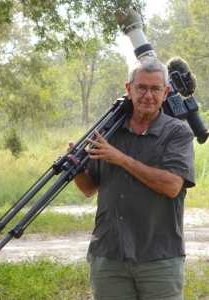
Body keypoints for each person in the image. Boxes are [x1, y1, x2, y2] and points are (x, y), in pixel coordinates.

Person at [69, 56, 195, 300]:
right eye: (142, 87)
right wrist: (76, 169)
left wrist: (122, 159)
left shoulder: (177, 132)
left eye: (155, 89)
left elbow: (171, 186)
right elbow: (90, 188)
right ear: (129, 89)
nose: (148, 95)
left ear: (166, 92)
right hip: (109, 254)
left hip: (159, 257)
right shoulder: (109, 131)